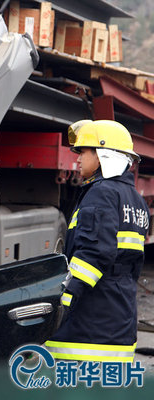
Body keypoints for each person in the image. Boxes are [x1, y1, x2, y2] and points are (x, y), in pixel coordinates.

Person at [44, 120, 149, 362]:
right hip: (120, 316)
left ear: (103, 155)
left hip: (90, 321)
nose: (78, 158)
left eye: (84, 151)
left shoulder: (101, 194)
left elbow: (94, 254)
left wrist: (66, 296)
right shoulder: (136, 200)